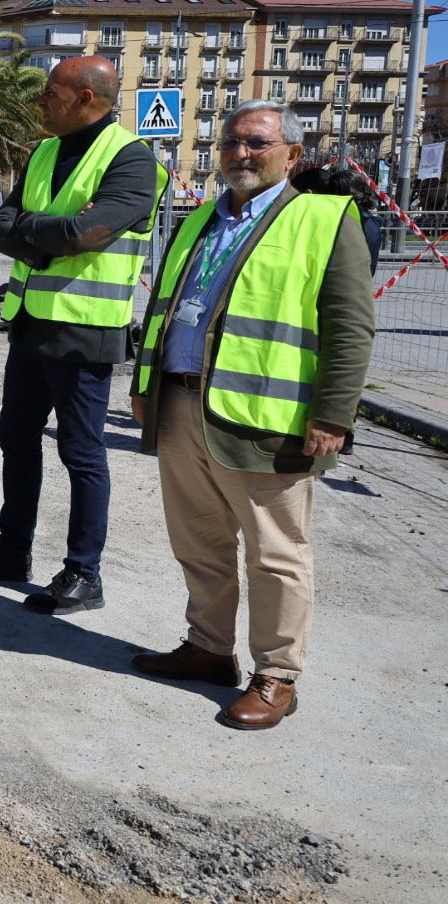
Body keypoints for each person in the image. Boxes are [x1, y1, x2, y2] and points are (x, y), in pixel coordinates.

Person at [128, 101, 375, 730]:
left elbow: (350, 326)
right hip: (182, 403)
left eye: (258, 143)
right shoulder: (200, 219)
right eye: (232, 142)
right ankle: (209, 648)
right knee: (199, 542)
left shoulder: (323, 218)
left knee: (276, 553)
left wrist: (334, 414)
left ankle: (277, 674)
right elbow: (164, 305)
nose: (241, 153)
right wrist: (144, 382)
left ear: (292, 155)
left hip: (268, 419)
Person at [0, 56, 162, 615]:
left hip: (85, 330)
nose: (41, 101)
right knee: (16, 439)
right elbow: (0, 225)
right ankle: (12, 551)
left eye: (51, 91)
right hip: (30, 323)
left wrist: (37, 231)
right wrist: (47, 235)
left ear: (86, 97)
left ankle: (83, 573)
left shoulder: (132, 159)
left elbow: (84, 234)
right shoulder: (44, 152)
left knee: (81, 452)